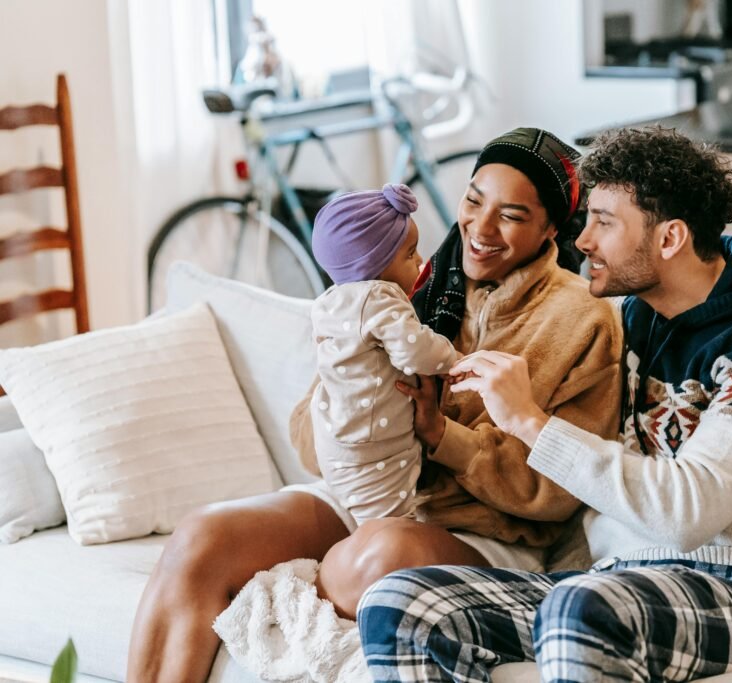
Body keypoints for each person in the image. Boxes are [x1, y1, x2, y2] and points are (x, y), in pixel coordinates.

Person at [126, 127, 622, 683]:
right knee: (202, 539)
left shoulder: (584, 322)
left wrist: (441, 437)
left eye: (511, 215)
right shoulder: (403, 285)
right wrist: (347, 398)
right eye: (474, 200)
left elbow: (559, 492)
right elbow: (309, 445)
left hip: (484, 535)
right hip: (370, 494)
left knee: (378, 555)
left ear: (551, 227)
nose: (480, 229)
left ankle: (281, 598)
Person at [357, 126, 732, 683]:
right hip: (618, 580)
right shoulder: (638, 318)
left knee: (583, 608)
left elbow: (688, 513)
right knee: (400, 604)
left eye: (604, 223)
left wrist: (528, 421)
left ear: (669, 240)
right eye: (587, 218)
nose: (583, 240)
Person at [307, 183, 458, 524]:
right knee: (390, 523)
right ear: (372, 262)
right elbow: (414, 351)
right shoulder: (379, 296)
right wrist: (454, 360)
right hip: (376, 443)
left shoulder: (328, 302)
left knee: (367, 520)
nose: (420, 260)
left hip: (337, 440)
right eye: (410, 253)